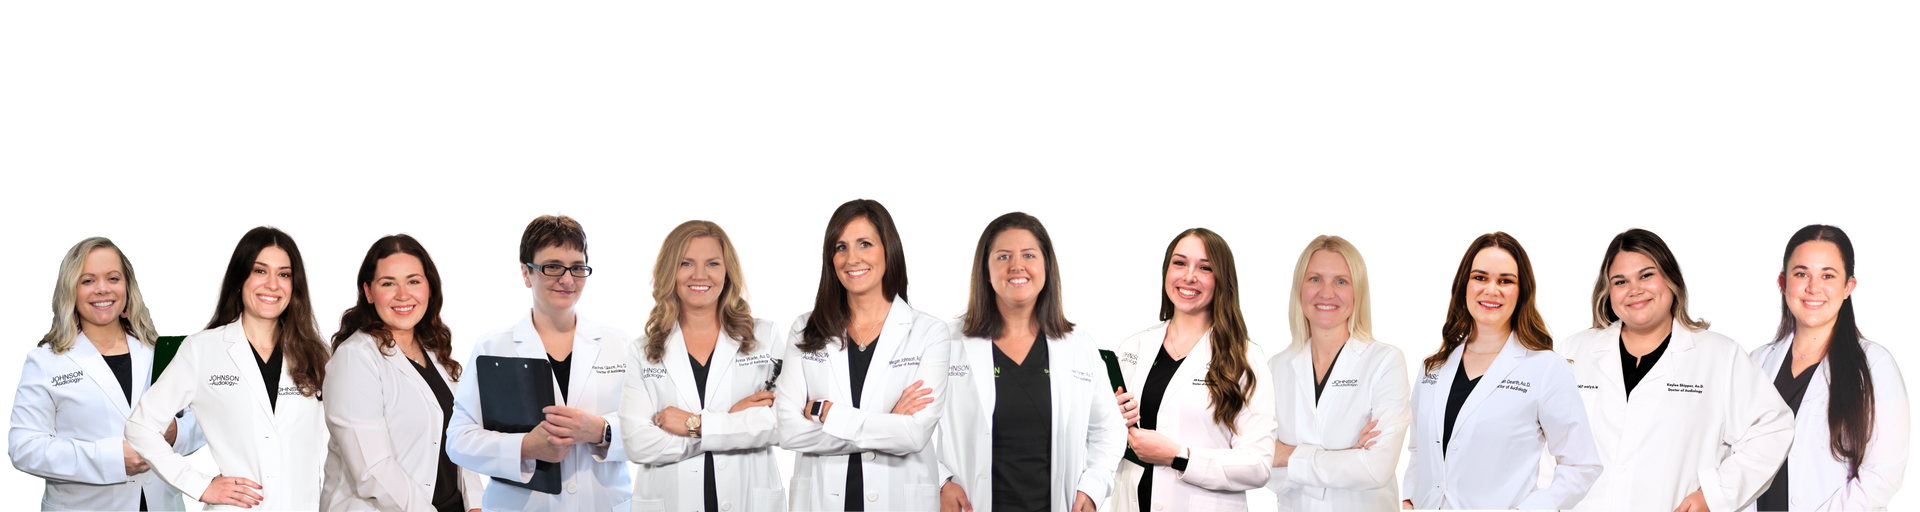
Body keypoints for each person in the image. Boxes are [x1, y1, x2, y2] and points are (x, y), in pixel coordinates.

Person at [1553, 227, 1793, 512]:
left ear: (1671, 278)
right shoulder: (1573, 349)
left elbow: (1772, 428)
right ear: (1608, 291)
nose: (1634, 290)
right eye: (1620, 281)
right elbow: (1546, 445)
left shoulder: (1719, 354)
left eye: (1646, 275)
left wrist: (1714, 496)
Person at [126, 224, 332, 511]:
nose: (273, 284)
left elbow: (327, 444)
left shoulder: (317, 353)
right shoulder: (202, 349)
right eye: (260, 271)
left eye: (284, 274)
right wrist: (200, 485)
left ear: (294, 285)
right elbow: (140, 427)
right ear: (240, 277)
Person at [937, 212, 1127, 512]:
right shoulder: (947, 342)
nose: (1017, 265)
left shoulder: (1079, 346)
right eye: (1003, 256)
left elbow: (1109, 430)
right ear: (985, 269)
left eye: (1028, 255)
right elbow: (909, 427)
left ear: (1047, 267)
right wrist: (940, 481)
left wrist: (1093, 487)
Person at [1399, 229, 1600, 512]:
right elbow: (1418, 448)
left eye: (1505, 280)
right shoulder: (1431, 365)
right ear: (1464, 285)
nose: (1491, 290)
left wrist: (1534, 508)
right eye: (1480, 277)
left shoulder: (1546, 369)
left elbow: (1582, 464)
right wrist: (1406, 498)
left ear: (1521, 292)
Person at [446, 208, 633, 512]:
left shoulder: (620, 342)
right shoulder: (491, 346)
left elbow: (651, 427)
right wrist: (525, 447)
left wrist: (602, 431)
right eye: (553, 267)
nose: (567, 279)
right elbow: (459, 440)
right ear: (525, 273)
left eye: (577, 267)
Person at [775, 199, 952, 512]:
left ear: (887, 250)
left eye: (865, 244)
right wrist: (888, 424)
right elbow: (787, 430)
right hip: (820, 499)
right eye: (841, 247)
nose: (852, 258)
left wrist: (829, 414)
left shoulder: (929, 331)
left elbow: (913, 435)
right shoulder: (804, 327)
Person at [8, 234, 206, 512]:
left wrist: (177, 433)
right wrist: (110, 459)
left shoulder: (163, 351)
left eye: (113, 278)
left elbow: (205, 419)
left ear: (127, 287)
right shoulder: (44, 361)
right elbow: (23, 448)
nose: (102, 289)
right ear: (71, 291)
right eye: (88, 280)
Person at [619, 219, 786, 512]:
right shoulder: (642, 350)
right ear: (670, 271)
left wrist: (694, 425)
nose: (700, 275)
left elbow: (781, 424)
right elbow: (637, 443)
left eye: (712, 263)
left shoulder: (765, 336)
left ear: (727, 271)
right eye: (686, 263)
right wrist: (731, 423)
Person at [1744, 222, 1912, 512]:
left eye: (1828, 275)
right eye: (1801, 273)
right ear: (1782, 282)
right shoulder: (1755, 360)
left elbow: (1884, 474)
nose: (1813, 288)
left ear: (1850, 286)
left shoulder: (1877, 364)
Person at [1110, 225, 1278, 512]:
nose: (1189, 276)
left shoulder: (1246, 357)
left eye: (1205, 267)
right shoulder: (1131, 347)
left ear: (1221, 280)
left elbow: (1258, 466)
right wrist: (1111, 421)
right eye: (1180, 263)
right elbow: (1103, 443)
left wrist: (1178, 456)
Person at [322, 232, 482, 512]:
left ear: (429, 288)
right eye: (388, 283)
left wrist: (476, 504)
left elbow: (462, 437)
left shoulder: (436, 352)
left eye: (413, 281)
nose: (403, 295)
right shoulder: (355, 358)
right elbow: (372, 470)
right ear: (368, 292)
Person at [1266, 232, 1410, 512]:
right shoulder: (1275, 366)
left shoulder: (1386, 361)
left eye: (1341, 281)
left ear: (1357, 291)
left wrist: (1286, 455)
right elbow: (1259, 464)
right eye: (1315, 279)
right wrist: (1347, 458)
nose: (1326, 293)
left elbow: (1376, 469)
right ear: (1299, 287)